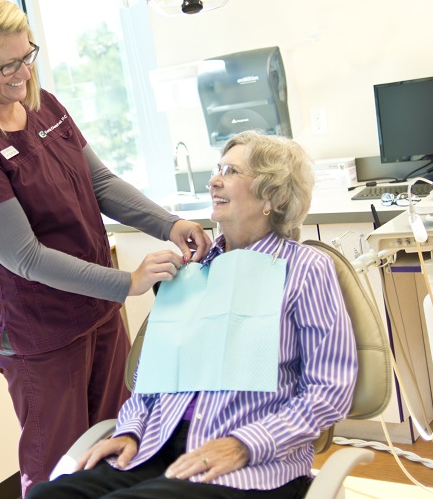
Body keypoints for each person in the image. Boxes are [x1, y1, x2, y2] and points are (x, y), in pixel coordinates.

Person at [0, 0, 212, 496]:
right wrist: (127, 281)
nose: (22, 73)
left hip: (98, 313)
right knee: (56, 469)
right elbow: (25, 256)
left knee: (117, 442)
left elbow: (100, 184)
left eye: (28, 55)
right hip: (40, 332)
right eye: (7, 65)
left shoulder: (44, 109)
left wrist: (167, 224)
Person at [27, 131, 358, 499]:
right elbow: (152, 373)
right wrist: (130, 428)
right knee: (48, 495)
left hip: (249, 463)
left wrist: (244, 444)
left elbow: (330, 390)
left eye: (231, 171)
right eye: (218, 168)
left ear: (274, 197)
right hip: (157, 445)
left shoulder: (305, 269)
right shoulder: (191, 270)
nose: (214, 179)